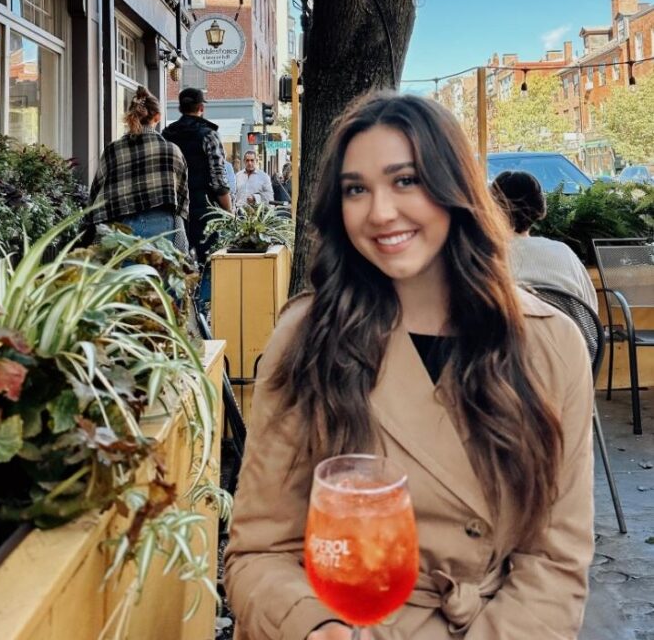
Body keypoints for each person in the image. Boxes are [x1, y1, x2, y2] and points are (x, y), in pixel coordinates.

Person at [226, 92, 594, 640]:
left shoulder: (548, 344)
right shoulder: (306, 340)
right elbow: (259, 552)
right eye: (356, 189)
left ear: (455, 189)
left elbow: (556, 563)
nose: (379, 211)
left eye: (406, 180)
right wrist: (313, 628)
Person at [88, 86, 189, 250]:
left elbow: (97, 193)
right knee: (161, 273)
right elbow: (181, 199)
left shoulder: (113, 150)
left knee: (124, 275)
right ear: (157, 117)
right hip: (163, 230)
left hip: (120, 231)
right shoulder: (172, 151)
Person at [491, 170, 599, 313]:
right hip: (568, 334)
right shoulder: (564, 253)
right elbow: (591, 311)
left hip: (512, 335)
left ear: (492, 209)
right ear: (541, 208)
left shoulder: (487, 258)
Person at [162, 87, 232, 265]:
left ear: (180, 108)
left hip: (173, 209)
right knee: (208, 263)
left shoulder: (166, 135)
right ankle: (205, 293)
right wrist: (229, 211)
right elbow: (219, 180)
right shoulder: (209, 135)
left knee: (176, 264)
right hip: (203, 209)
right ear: (201, 107)